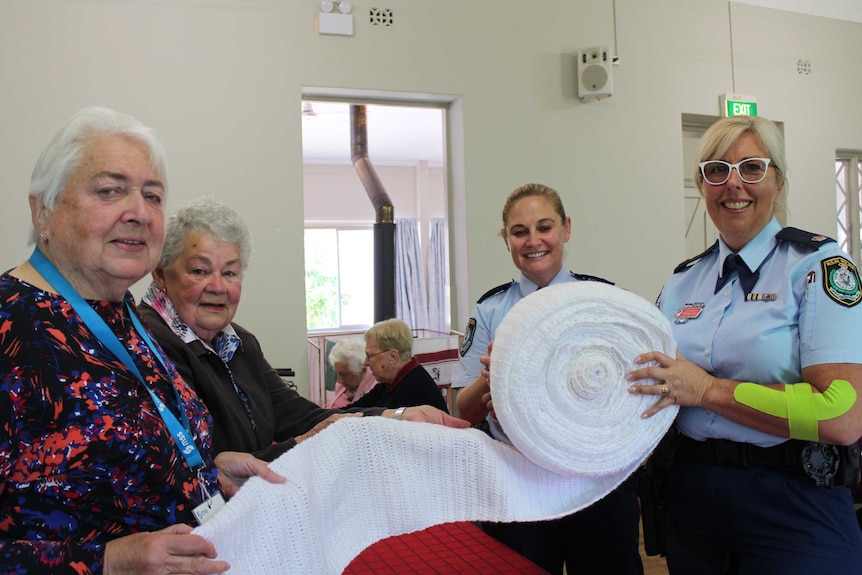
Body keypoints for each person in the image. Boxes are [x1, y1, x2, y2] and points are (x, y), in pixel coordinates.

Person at [0, 106, 283, 574]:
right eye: (109, 190)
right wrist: (110, 562)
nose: (138, 212)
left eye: (152, 196)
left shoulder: (122, 314)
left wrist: (205, 475)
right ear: (43, 210)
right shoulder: (12, 325)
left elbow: (124, 469)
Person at [628, 115, 862, 574]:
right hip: (692, 495)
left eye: (752, 168)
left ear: (778, 181)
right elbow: (654, 378)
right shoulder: (680, 282)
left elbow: (841, 414)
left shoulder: (820, 266)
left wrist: (708, 391)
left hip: (792, 496)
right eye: (717, 169)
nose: (733, 184)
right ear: (701, 184)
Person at [139, 198, 467, 461]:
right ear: (161, 274)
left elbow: (300, 415)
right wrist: (301, 443)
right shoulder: (148, 345)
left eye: (230, 273)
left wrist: (396, 418)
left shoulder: (240, 344)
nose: (218, 286)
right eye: (199, 270)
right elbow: (197, 467)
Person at [452, 183, 644, 575]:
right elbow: (463, 410)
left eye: (545, 227)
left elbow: (636, 389)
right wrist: (493, 378)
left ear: (566, 229)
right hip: (519, 484)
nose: (533, 241)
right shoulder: (490, 311)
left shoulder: (603, 299)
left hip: (595, 481)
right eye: (519, 232)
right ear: (506, 239)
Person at [348, 318, 450, 412]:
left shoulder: (414, 390)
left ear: (393, 357)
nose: (366, 363)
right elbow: (353, 410)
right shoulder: (388, 384)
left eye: (369, 356)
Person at [327, 338, 378, 408]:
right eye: (337, 373)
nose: (339, 381)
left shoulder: (374, 390)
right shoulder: (343, 386)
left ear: (362, 371)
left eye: (343, 374)